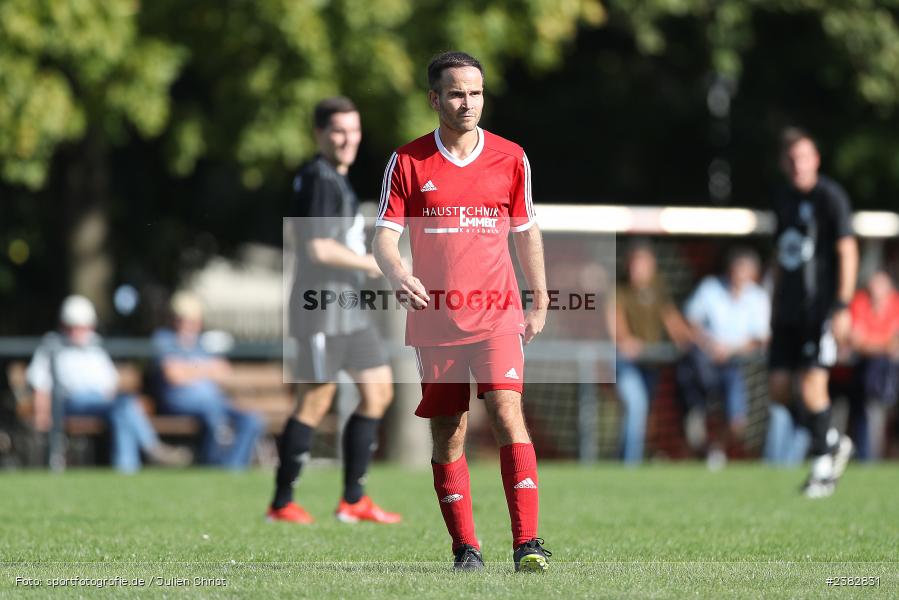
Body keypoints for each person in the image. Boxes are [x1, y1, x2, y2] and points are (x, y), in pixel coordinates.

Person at [373, 51, 550, 572]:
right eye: (456, 93)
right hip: (436, 320)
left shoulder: (510, 157)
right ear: (435, 99)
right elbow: (385, 234)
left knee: (505, 411)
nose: (467, 102)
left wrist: (538, 296)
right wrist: (397, 273)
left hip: (497, 313)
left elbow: (525, 231)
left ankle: (528, 545)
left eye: (474, 93)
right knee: (449, 428)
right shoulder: (407, 161)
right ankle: (466, 549)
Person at [268, 96, 400, 525]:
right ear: (319, 134)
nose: (348, 139)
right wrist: (372, 263)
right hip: (320, 310)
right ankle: (282, 502)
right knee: (316, 400)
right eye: (338, 131)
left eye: (354, 130)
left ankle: (353, 500)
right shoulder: (320, 178)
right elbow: (318, 247)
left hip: (349, 312)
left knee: (379, 390)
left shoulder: (337, 178)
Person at [768, 127, 857, 498]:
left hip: (818, 310)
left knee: (812, 384)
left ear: (816, 159)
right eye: (791, 159)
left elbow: (847, 250)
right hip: (786, 312)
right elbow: (779, 257)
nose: (797, 165)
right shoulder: (782, 201)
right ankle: (833, 441)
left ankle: (823, 467)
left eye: (804, 157)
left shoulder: (830, 198)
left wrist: (841, 305)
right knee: (778, 391)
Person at [27, 295, 191, 472]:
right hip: (69, 403)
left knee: (121, 410)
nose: (77, 332)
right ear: (63, 325)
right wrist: (42, 414)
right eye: (72, 327)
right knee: (123, 404)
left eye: (82, 327)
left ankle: (127, 469)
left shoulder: (94, 345)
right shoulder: (52, 343)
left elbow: (109, 383)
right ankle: (152, 449)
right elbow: (41, 384)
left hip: (101, 402)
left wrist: (112, 400)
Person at [678, 247, 770, 465]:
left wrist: (730, 349)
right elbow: (690, 320)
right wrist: (709, 344)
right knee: (697, 390)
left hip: (736, 366)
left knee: (737, 422)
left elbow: (760, 337)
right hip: (705, 362)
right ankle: (698, 413)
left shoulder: (758, 298)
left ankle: (715, 448)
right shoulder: (710, 289)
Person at [153, 293, 263, 469]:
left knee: (252, 419)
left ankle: (233, 469)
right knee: (214, 416)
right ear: (173, 319)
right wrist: (207, 369)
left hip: (215, 402)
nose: (187, 325)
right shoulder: (164, 340)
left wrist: (191, 369)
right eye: (182, 319)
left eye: (192, 320)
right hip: (181, 403)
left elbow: (224, 372)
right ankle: (211, 466)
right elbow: (174, 376)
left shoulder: (203, 342)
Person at [612, 240, 692, 464]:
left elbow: (672, 320)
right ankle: (629, 464)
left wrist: (689, 341)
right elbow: (615, 320)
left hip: (650, 363)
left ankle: (625, 459)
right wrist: (626, 340)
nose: (637, 269)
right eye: (634, 264)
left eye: (642, 264)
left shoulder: (658, 288)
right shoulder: (619, 288)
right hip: (625, 361)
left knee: (643, 414)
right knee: (636, 405)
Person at [847, 270, 899, 460]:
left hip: (891, 369)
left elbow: (895, 343)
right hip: (867, 370)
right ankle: (867, 457)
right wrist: (883, 344)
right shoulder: (861, 302)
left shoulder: (895, 304)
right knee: (864, 414)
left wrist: (872, 343)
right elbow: (857, 340)